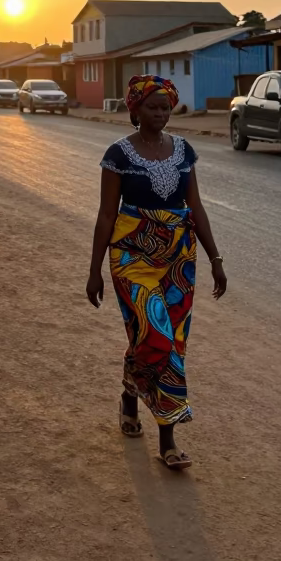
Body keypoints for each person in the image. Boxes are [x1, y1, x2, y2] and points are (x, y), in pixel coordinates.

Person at [86, 74, 227, 470]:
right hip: (132, 257)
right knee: (157, 337)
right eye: (153, 107)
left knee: (170, 343)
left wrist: (216, 260)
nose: (161, 114)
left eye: (166, 107)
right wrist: (94, 269)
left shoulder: (184, 151)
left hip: (179, 260)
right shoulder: (118, 154)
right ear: (135, 109)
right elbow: (106, 214)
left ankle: (131, 395)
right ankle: (169, 438)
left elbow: (195, 207)